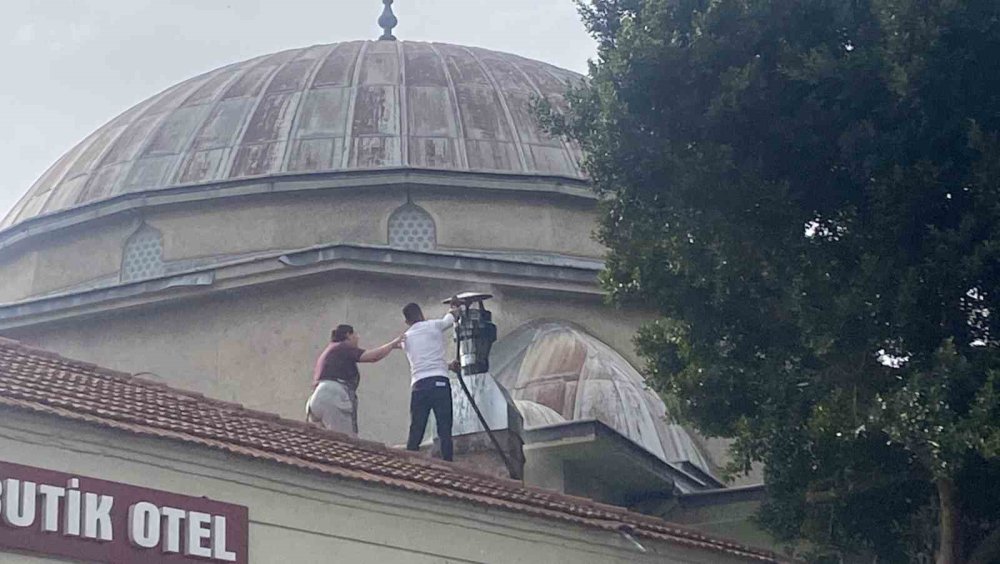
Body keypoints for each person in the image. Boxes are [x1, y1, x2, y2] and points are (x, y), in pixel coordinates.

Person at [306, 324, 403, 436]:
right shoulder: (342, 347)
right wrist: (392, 344)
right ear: (348, 335)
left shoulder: (329, 350)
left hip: (316, 399)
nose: (358, 338)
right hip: (333, 396)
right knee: (345, 441)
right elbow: (373, 357)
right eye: (355, 335)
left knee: (322, 443)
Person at [401, 301, 459, 461]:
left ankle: (409, 462)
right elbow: (451, 318)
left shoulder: (405, 339)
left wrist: (447, 365)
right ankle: (449, 464)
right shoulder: (434, 325)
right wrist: (454, 307)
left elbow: (424, 361)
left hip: (419, 386)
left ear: (407, 321)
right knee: (444, 428)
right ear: (421, 314)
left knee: (416, 429)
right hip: (440, 384)